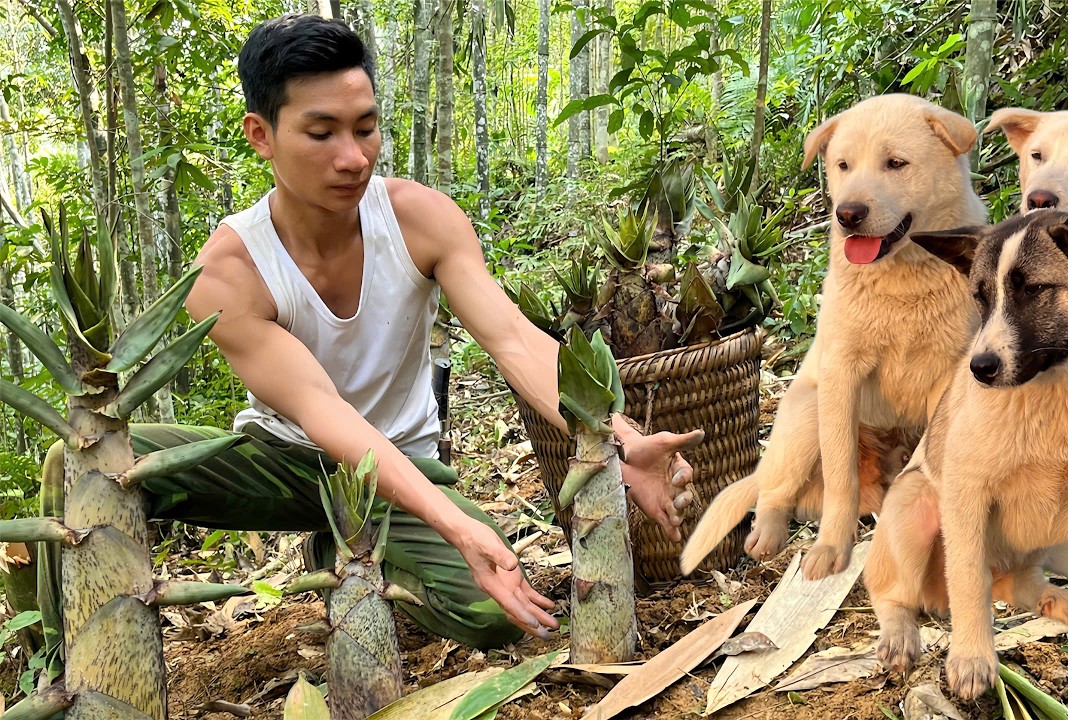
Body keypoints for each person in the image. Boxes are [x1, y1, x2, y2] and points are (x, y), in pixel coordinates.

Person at [42, 13, 702, 650]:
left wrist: (622, 440)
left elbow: (514, 340)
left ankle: (350, 549)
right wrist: (458, 528)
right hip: (286, 460)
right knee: (84, 460)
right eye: (321, 133)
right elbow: (320, 411)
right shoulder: (229, 269)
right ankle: (62, 659)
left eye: (366, 128)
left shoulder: (420, 219)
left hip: (402, 468)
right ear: (261, 134)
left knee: (493, 615)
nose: (353, 158)